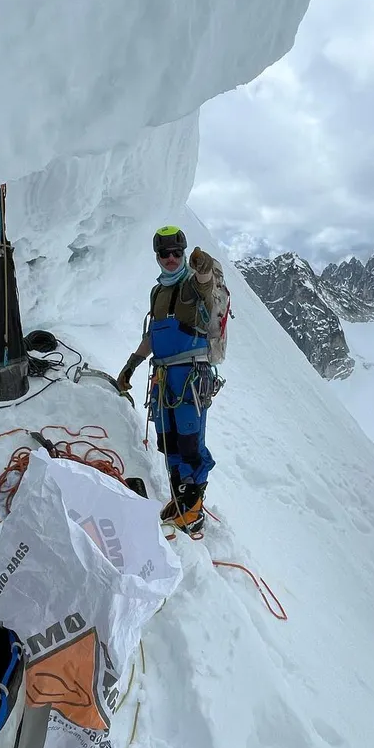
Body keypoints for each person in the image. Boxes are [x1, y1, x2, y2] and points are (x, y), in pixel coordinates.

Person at [116, 225, 218, 535]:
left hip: (189, 375)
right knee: (168, 442)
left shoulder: (193, 284)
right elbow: (153, 335)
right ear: (157, 256)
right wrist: (132, 364)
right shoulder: (158, 291)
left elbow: (206, 286)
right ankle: (180, 497)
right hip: (162, 376)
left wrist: (204, 269)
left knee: (190, 442)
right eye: (165, 253)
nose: (171, 258)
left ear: (184, 253)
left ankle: (194, 509)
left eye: (177, 252)